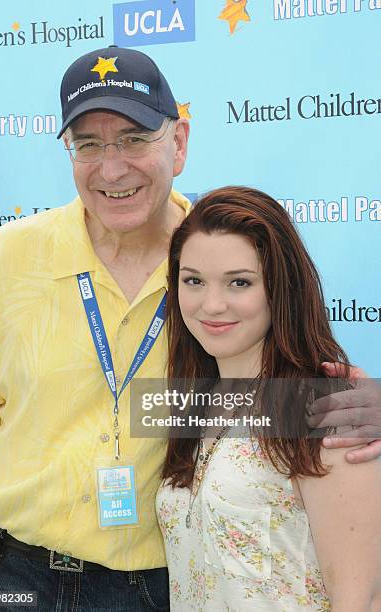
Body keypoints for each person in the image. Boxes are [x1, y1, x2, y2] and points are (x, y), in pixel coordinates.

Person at [0, 44, 379, 611]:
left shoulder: (215, 258)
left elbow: (282, 404)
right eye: (88, 145)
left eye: (135, 139)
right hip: (7, 571)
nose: (112, 167)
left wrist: (354, 404)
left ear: (179, 142)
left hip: (151, 587)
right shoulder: (6, 258)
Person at [157, 186, 381, 611]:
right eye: (194, 281)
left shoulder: (328, 411)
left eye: (239, 282)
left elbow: (362, 599)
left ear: (281, 288)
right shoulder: (193, 405)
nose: (212, 304)